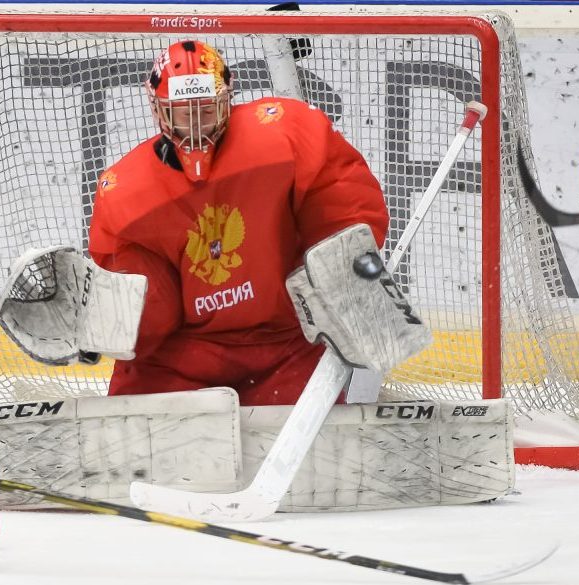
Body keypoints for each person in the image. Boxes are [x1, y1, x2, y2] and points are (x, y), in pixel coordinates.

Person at [88, 39, 390, 406]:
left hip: (284, 344)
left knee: (324, 454)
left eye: (206, 108)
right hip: (182, 357)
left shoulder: (284, 134)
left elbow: (342, 196)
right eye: (184, 111)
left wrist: (341, 263)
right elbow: (149, 300)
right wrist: (106, 326)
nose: (197, 122)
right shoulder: (125, 193)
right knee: (129, 446)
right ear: (158, 109)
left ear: (227, 98)